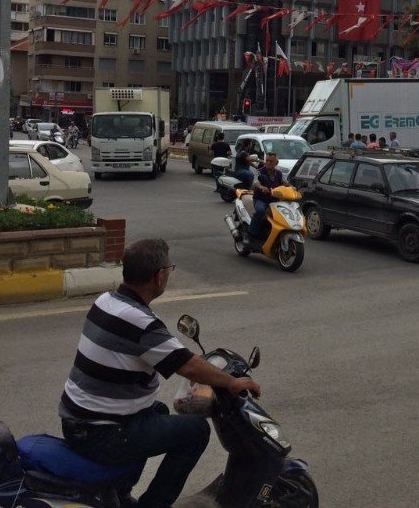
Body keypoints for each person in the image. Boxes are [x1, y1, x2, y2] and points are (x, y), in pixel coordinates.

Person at [60, 239, 260, 508]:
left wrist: (199, 367)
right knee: (196, 431)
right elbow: (186, 365)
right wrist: (232, 381)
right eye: (170, 268)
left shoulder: (106, 301)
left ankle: (119, 491)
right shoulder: (140, 322)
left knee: (158, 411)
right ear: (159, 276)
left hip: (81, 419)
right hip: (101, 433)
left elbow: (169, 355)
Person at [250, 152, 284, 239]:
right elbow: (255, 182)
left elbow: (286, 183)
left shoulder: (279, 174)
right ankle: (251, 234)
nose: (268, 163)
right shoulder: (260, 172)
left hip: (274, 200)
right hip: (261, 199)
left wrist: (294, 188)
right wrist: (261, 186)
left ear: (276, 163)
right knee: (261, 210)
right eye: (267, 161)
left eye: (271, 161)